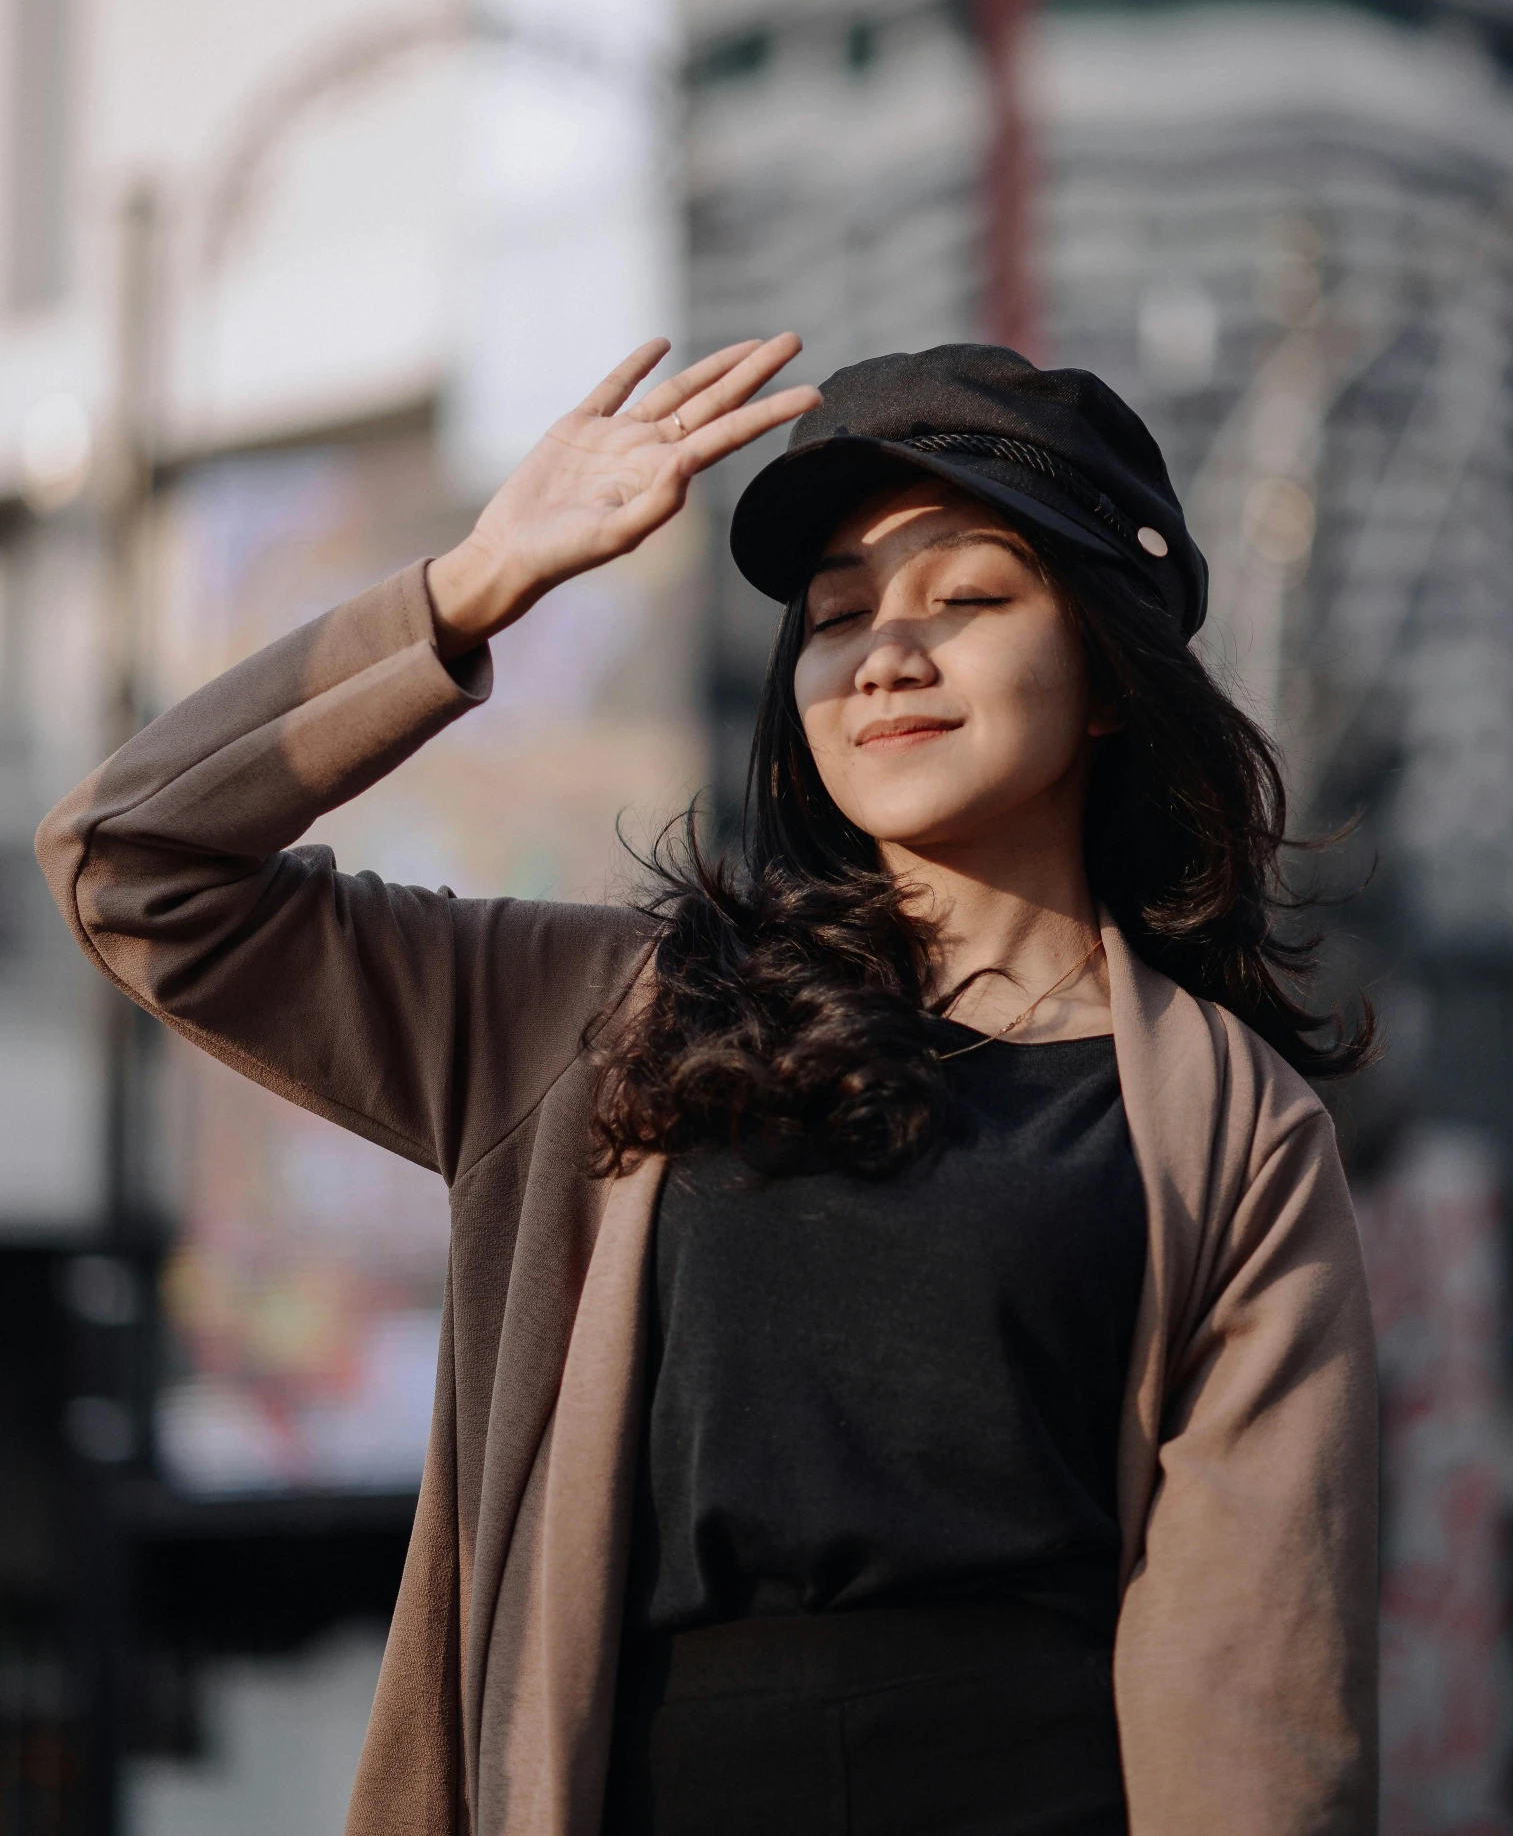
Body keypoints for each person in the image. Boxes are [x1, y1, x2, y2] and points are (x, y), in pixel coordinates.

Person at [38, 334, 1379, 1836]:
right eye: (836, 617)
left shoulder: (1227, 1123)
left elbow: (1257, 1674)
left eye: (972, 598)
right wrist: (472, 585)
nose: (886, 655)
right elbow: (133, 865)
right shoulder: (599, 1016)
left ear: (1109, 678)